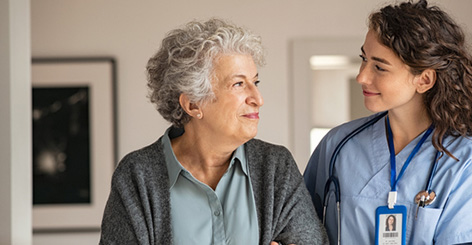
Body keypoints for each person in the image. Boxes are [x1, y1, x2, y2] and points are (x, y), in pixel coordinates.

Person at [100, 18, 328, 245]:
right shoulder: (136, 176)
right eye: (238, 84)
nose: (258, 99)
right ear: (193, 104)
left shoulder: (276, 167)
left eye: (255, 82)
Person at [303, 1, 472, 244]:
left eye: (379, 67)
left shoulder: (468, 159)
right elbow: (299, 229)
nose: (361, 76)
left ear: (424, 80)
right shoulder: (338, 145)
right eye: (364, 59)